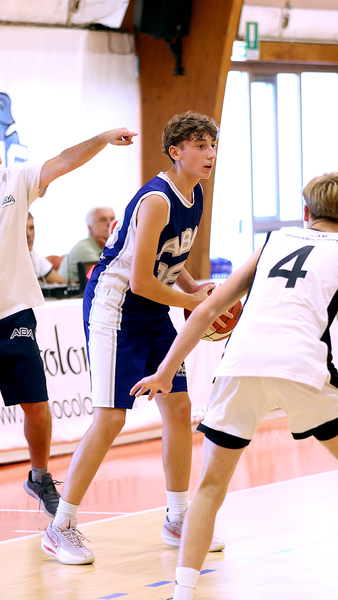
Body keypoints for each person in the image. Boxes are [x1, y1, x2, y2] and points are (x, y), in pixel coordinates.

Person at [131, 172, 338, 600]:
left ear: (306, 211)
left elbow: (207, 309)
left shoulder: (274, 241)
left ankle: (181, 594)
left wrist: (166, 370)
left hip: (240, 365)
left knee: (210, 487)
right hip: (302, 366)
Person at [42, 110, 225, 565]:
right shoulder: (158, 199)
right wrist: (195, 304)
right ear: (175, 151)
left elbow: (171, 257)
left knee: (179, 409)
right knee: (111, 418)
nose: (209, 154)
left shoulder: (196, 193)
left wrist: (194, 287)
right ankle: (59, 526)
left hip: (153, 309)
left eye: (212, 145)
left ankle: (177, 518)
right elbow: (141, 281)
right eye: (199, 145)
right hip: (116, 306)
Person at [0, 127, 136, 518]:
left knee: (37, 405)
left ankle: (39, 477)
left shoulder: (16, 179)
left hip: (13, 313)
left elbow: (63, 161)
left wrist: (102, 138)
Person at [58, 205, 115, 282]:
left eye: (112, 219)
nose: (109, 223)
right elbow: (107, 278)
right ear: (90, 228)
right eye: (103, 220)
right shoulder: (84, 249)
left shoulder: (106, 246)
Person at [26, 213, 67, 284]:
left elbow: (61, 281)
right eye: (23, 229)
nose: (28, 234)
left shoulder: (34, 256)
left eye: (31, 228)